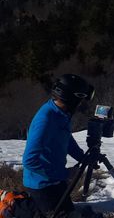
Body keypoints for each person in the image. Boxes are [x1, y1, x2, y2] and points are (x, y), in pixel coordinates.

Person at [22, 74, 101, 218]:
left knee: (70, 212)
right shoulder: (46, 119)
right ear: (72, 98)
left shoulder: (61, 114)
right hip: (41, 185)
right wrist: (64, 174)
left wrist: (82, 157)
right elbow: (29, 161)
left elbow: (66, 138)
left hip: (56, 181)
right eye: (80, 99)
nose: (80, 104)